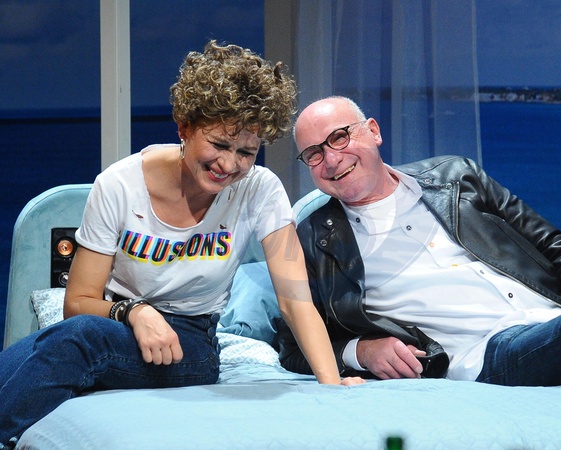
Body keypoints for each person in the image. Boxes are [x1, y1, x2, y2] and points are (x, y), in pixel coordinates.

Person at [0, 44, 362, 448]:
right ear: (184, 128)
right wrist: (134, 311)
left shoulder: (260, 190)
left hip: (190, 343)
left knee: (78, 339)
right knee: (33, 353)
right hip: (114, 322)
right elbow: (78, 301)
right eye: (219, 145)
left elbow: (295, 301)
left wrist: (332, 385)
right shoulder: (119, 185)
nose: (230, 165)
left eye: (246, 152)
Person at [278, 95, 561, 396]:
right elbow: (291, 344)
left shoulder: (457, 176)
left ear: (374, 131)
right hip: (489, 355)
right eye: (314, 154)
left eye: (339, 137)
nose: (331, 159)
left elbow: (552, 244)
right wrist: (361, 350)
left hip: (558, 322)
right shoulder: (312, 240)